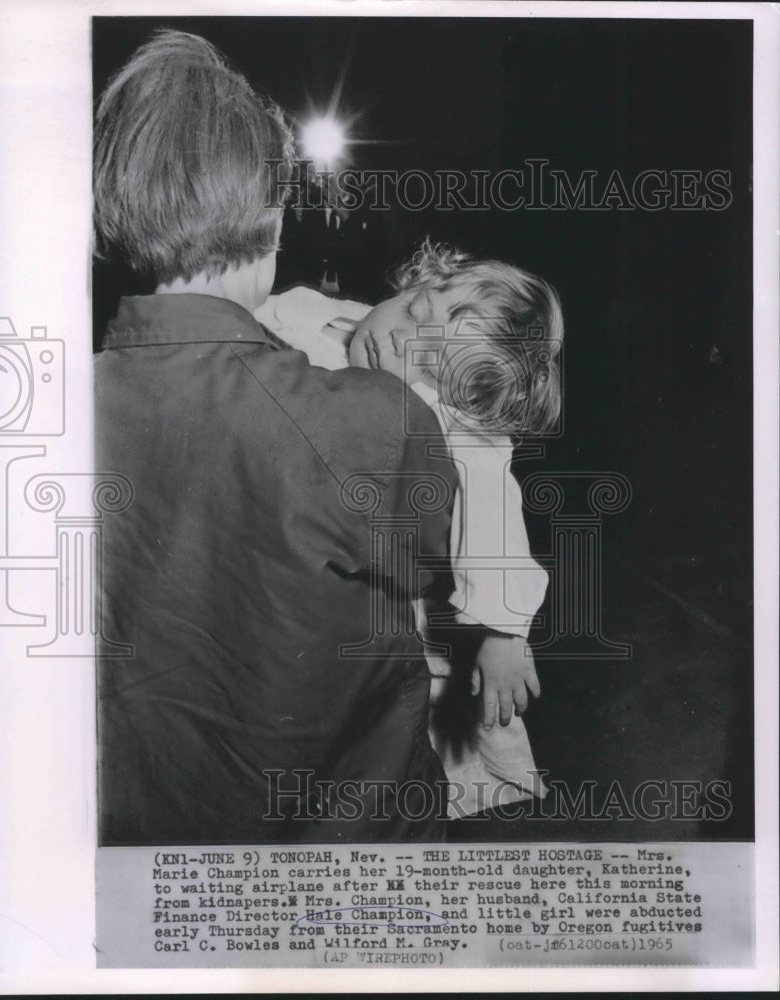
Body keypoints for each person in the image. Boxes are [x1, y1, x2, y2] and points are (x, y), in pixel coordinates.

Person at [93, 31, 456, 845]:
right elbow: (425, 564)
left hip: (142, 855)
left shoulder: (49, 413)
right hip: (346, 852)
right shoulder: (377, 418)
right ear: (269, 210)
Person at [255, 240, 563, 816]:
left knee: (422, 708)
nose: (399, 342)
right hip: (289, 553)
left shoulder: (459, 426)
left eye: (427, 365)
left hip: (393, 591)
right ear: (418, 282)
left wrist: (504, 632)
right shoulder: (314, 313)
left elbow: (495, 506)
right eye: (415, 313)